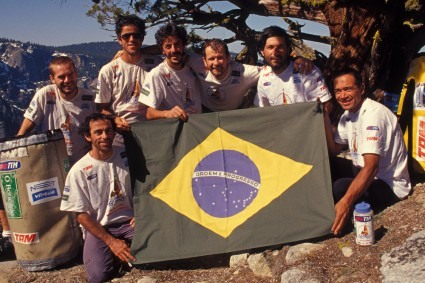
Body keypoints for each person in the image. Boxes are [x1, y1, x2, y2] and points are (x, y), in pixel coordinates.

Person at [323, 68, 411, 235]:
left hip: (389, 184)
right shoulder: (347, 115)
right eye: (338, 91)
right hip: (364, 170)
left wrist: (345, 202)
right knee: (328, 163)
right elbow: (334, 150)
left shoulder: (373, 115)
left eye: (348, 89)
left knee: (340, 187)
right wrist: (325, 118)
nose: (343, 96)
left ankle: (343, 220)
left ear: (361, 88)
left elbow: (372, 168)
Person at [60, 113, 135, 283]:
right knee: (97, 276)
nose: (105, 136)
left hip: (129, 221)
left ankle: (126, 248)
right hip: (100, 227)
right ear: (87, 136)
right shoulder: (79, 171)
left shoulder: (127, 156)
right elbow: (80, 214)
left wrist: (141, 215)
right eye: (98, 132)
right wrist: (111, 242)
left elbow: (144, 188)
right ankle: (115, 251)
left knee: (155, 256)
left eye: (109, 131)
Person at [186, 38, 314, 112]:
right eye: (211, 58)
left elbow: (273, 68)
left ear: (229, 57)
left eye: (220, 58)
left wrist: (297, 59)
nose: (216, 63)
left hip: (232, 114)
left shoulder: (242, 72)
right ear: (204, 60)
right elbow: (178, 51)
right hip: (205, 111)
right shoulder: (196, 63)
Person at [17, 56, 96, 165]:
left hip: (84, 164)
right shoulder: (45, 95)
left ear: (76, 74)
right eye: (61, 77)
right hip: (55, 164)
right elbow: (28, 124)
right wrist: (16, 150)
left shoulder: (90, 98)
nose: (67, 80)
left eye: (70, 75)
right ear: (52, 79)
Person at [95, 14, 162, 130]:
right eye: (126, 36)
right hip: (122, 130)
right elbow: (101, 108)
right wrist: (114, 119)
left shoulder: (157, 64)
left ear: (142, 38)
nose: (132, 39)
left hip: (153, 128)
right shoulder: (108, 71)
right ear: (119, 39)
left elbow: (174, 49)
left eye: (136, 35)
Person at [254, 26, 332, 110]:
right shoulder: (264, 77)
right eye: (270, 47)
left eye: (281, 47)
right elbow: (263, 111)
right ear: (262, 51)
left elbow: (327, 105)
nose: (275, 52)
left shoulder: (306, 70)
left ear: (288, 49)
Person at [139, 22, 201, 121]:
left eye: (177, 44)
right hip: (177, 130)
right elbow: (149, 113)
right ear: (162, 50)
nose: (174, 50)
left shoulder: (194, 66)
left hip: (199, 126)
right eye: (168, 46)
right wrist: (167, 113)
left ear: (184, 45)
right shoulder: (157, 75)